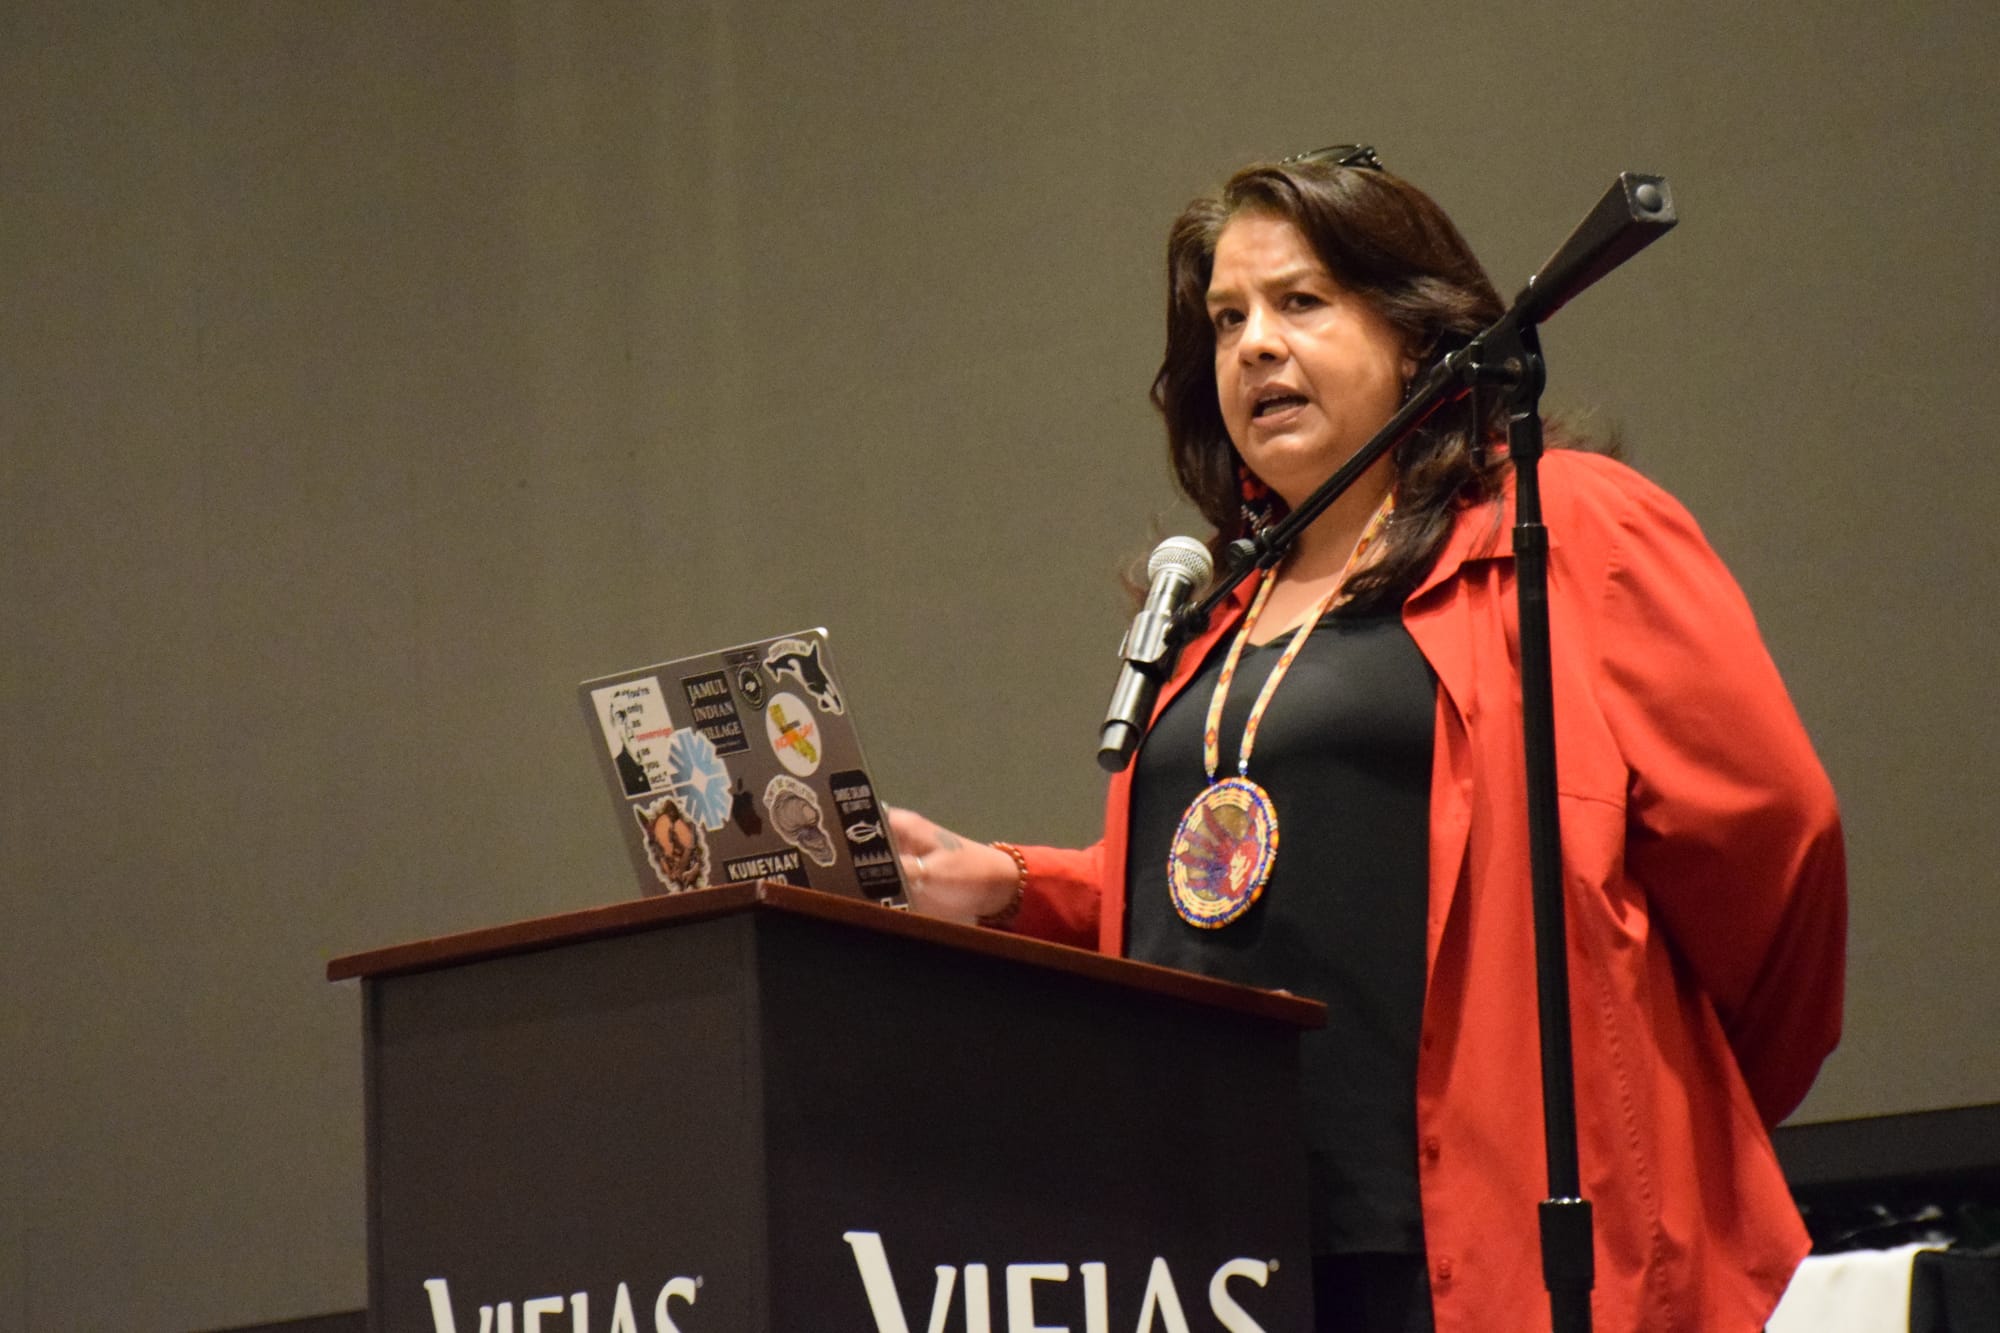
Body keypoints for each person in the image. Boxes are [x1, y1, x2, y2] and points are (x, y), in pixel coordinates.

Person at [888, 145, 1846, 1333]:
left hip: (1477, 1242)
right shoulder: (1214, 610)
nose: (1252, 345)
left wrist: (1664, 1091)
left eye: (1299, 302)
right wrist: (1008, 886)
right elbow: (1244, 890)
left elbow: (1772, 834)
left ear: (1413, 331)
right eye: (1226, 318)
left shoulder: (1560, 524)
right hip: (1231, 1256)